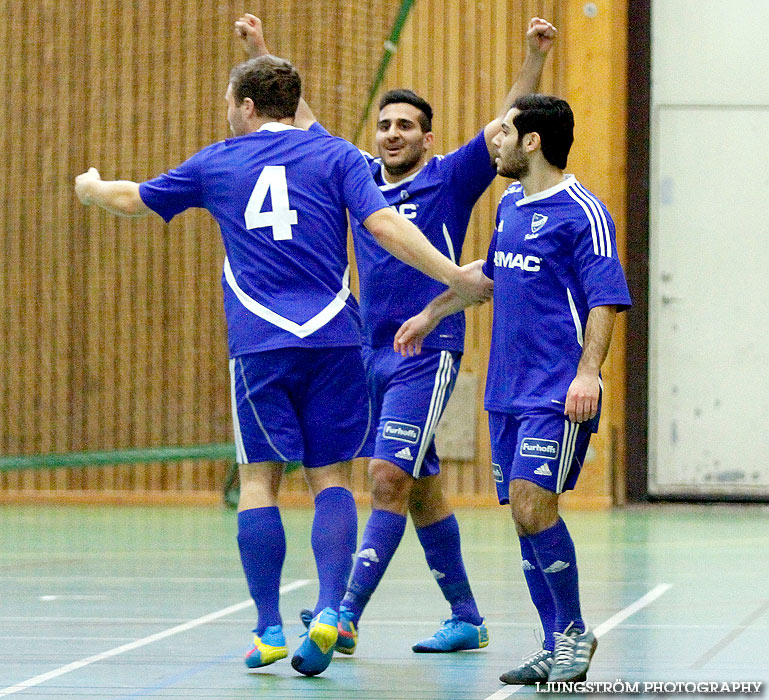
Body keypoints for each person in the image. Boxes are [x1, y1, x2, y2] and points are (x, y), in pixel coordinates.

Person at [74, 55, 491, 678]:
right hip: (334, 341)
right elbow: (384, 227)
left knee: (260, 483)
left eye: (228, 100)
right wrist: (453, 275)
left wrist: (89, 187)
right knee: (331, 480)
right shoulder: (339, 157)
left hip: (261, 345)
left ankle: (268, 627)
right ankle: (328, 610)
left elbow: (133, 199)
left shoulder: (220, 161)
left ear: (245, 106)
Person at [236, 12, 558, 656]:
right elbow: (293, 117)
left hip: (425, 351)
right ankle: (466, 616)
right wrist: (261, 51)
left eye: (405, 126)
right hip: (362, 351)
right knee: (418, 488)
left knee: (385, 477)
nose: (391, 134)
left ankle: (344, 614)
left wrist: (534, 57)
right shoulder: (352, 173)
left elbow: (509, 119)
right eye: (384, 125)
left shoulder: (450, 177)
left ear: (427, 139)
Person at [394, 94, 631, 684]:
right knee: (524, 518)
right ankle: (553, 644)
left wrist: (587, 372)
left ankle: (574, 631)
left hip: (556, 389)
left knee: (532, 501)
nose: (493, 141)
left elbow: (605, 298)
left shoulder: (583, 212)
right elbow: (489, 276)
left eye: (506, 133)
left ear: (531, 142)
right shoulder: (509, 207)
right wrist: (432, 313)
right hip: (506, 392)